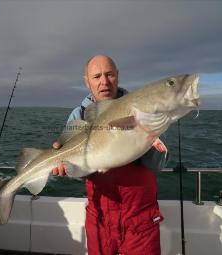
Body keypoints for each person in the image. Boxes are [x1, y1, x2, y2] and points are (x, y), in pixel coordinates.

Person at [52, 55, 167, 255]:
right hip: (100, 217)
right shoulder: (78, 115)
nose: (104, 82)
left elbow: (158, 164)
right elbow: (78, 171)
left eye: (109, 74)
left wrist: (145, 136)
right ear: (86, 81)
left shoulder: (143, 108)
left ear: (118, 77)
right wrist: (65, 167)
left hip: (140, 218)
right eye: (96, 76)